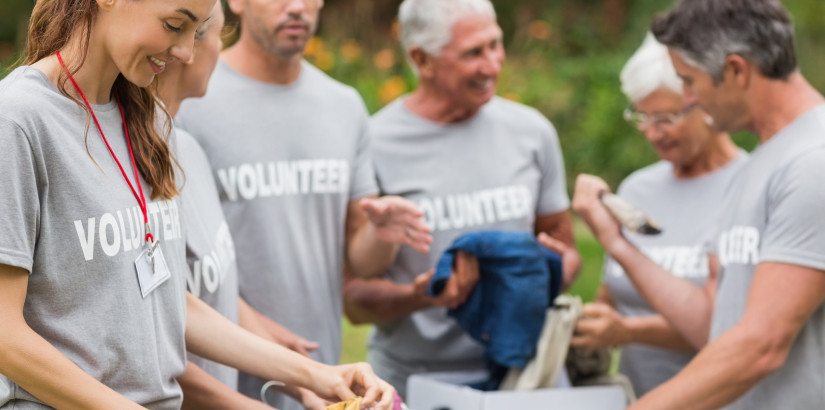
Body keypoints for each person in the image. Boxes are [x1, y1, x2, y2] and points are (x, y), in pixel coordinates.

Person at [0, 0, 395, 408]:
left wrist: (321, 375)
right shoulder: (18, 120)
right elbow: (4, 336)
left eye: (199, 31)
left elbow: (167, 299)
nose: (187, 52)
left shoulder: (146, 119)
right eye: (175, 25)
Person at [175, 0, 431, 407]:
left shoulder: (343, 105)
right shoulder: (188, 93)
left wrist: (380, 235)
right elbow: (179, 276)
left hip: (322, 376)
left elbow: (363, 265)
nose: (297, 7)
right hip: (214, 380)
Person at [573, 0, 825, 409]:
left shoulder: (814, 162)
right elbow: (713, 325)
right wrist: (617, 243)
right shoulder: (761, 163)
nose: (687, 97)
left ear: (736, 70)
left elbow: (761, 346)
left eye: (688, 81)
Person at [343, 0, 582, 397]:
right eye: (474, 53)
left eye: (495, 45)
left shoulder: (531, 132)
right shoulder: (374, 143)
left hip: (524, 378)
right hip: (416, 382)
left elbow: (569, 254)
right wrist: (420, 297)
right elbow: (354, 300)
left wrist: (547, 268)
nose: (492, 65)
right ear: (422, 59)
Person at [568, 33, 747, 398]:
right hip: (639, 397)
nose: (651, 132)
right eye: (641, 116)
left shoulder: (747, 186)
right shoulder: (637, 189)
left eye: (664, 118)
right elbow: (615, 293)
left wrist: (630, 332)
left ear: (704, 103)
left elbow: (728, 328)